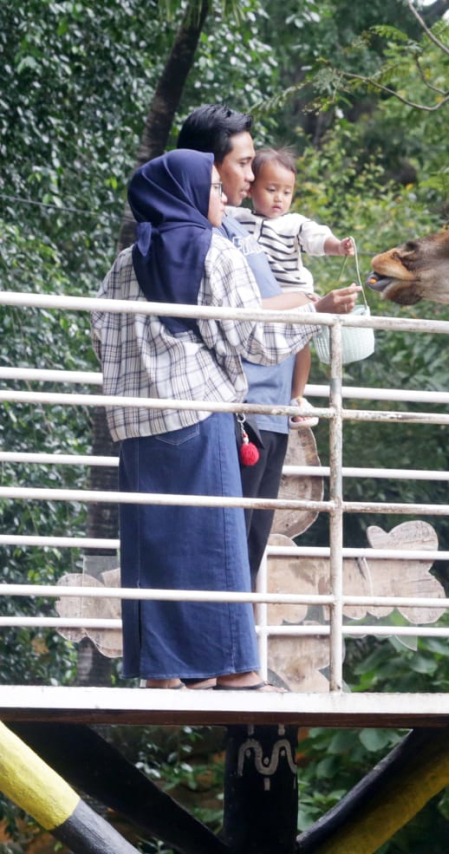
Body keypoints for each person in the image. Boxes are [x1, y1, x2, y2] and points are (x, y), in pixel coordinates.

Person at [91, 150, 315, 690]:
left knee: (154, 544)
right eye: (214, 187)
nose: (222, 195)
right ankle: (235, 669)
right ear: (188, 193)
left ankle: (162, 674)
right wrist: (313, 315)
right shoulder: (214, 250)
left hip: (139, 420)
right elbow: (252, 339)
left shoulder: (129, 259)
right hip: (199, 412)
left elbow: (102, 328)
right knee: (216, 542)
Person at [176, 105, 362, 585]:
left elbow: (311, 241)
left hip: (271, 412)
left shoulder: (238, 227)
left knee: (249, 547)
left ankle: (235, 654)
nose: (251, 176)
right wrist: (310, 306)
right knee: (223, 550)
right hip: (237, 415)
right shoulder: (201, 232)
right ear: (207, 166)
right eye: (244, 165)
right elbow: (238, 318)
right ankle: (222, 654)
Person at [231, 147, 356, 429]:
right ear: (250, 189)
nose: (279, 198)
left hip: (294, 292)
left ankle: (296, 397)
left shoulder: (293, 223)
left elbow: (316, 237)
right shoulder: (238, 219)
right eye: (271, 189)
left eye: (287, 192)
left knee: (301, 342)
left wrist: (337, 246)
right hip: (261, 297)